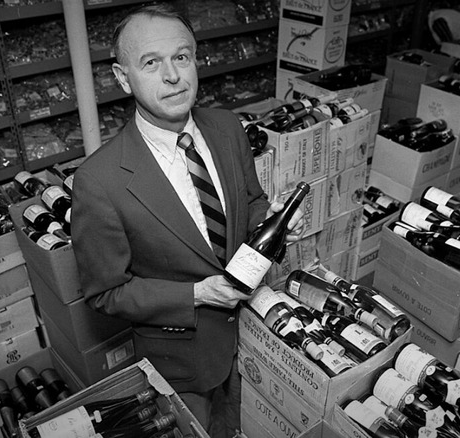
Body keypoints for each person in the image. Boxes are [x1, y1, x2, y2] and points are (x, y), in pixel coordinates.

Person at [70, 4, 303, 437]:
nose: (173, 76)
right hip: (183, 363)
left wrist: (271, 222)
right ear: (123, 78)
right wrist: (196, 294)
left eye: (181, 56)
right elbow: (106, 294)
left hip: (254, 337)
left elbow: (250, 202)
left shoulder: (227, 127)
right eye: (151, 63)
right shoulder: (99, 182)